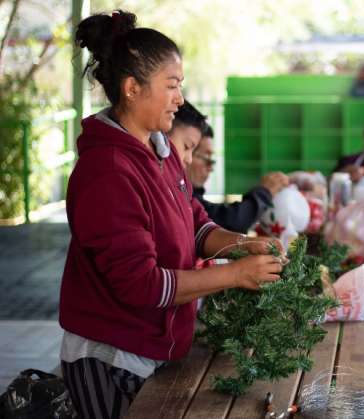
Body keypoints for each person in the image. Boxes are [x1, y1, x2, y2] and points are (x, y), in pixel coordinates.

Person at [59, 11, 283, 419]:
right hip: (111, 359)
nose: (180, 98)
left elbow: (195, 224)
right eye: (173, 86)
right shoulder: (107, 170)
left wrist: (242, 245)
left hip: (153, 348)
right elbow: (141, 286)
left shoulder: (159, 151)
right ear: (132, 88)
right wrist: (235, 275)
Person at [168, 101, 289, 233]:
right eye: (187, 147)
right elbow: (229, 222)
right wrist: (264, 193)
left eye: (211, 159)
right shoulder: (171, 196)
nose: (188, 159)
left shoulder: (188, 199)